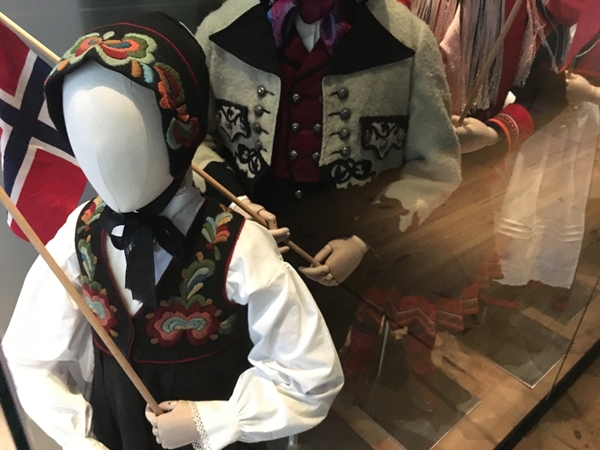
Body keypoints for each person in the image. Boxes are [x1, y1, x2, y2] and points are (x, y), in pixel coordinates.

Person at [2, 12, 343, 450]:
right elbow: (28, 355)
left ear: (180, 133)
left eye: (126, 138)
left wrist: (215, 420)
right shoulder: (80, 236)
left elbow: (311, 376)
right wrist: (78, 438)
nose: (104, 163)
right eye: (84, 139)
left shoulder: (238, 246)